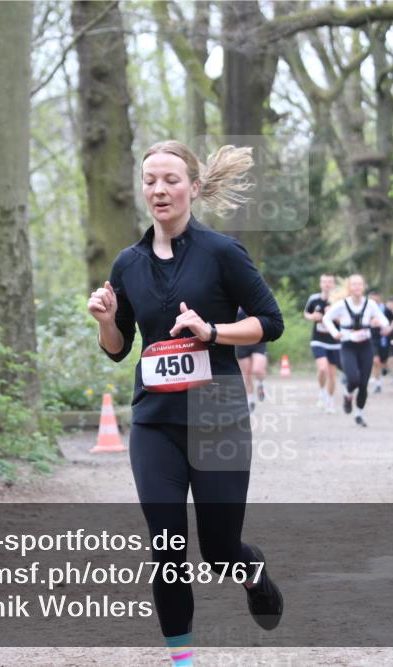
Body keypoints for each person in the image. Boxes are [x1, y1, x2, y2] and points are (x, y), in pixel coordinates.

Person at [88, 141, 285, 665]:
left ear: (194, 188)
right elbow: (119, 348)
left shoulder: (222, 252)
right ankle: (183, 660)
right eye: (150, 180)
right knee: (167, 547)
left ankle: (250, 570)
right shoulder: (127, 263)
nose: (159, 189)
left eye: (171, 180)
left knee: (220, 553)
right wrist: (106, 321)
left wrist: (212, 331)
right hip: (155, 422)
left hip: (218, 415)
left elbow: (270, 322)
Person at [323, 274, 388, 427]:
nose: (357, 287)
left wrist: (379, 322)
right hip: (348, 346)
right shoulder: (342, 305)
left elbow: (384, 320)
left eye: (360, 284)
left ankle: (359, 414)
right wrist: (335, 333)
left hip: (365, 346)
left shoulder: (370, 304)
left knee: (363, 384)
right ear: (349, 287)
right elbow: (326, 318)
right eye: (354, 284)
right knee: (353, 380)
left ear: (364, 287)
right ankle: (347, 393)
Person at [304, 274, 341, 412]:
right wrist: (313, 316)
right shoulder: (314, 299)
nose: (327, 284)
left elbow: (345, 320)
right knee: (322, 368)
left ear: (334, 284)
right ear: (320, 284)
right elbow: (306, 314)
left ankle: (330, 401)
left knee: (332, 374)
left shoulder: (339, 301)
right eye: (324, 282)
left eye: (330, 282)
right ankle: (321, 391)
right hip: (318, 340)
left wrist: (333, 316)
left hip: (334, 341)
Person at [235, 307, 268, 412]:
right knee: (247, 374)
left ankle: (261, 384)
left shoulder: (257, 301)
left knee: (257, 369)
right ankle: (250, 400)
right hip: (242, 341)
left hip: (258, 339)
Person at [367, 291, 388, 394]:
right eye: (371, 300)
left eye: (375, 300)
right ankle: (378, 384)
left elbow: (390, 321)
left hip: (383, 338)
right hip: (371, 338)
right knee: (375, 361)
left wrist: (382, 325)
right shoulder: (365, 310)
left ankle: (384, 369)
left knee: (383, 362)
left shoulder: (384, 309)